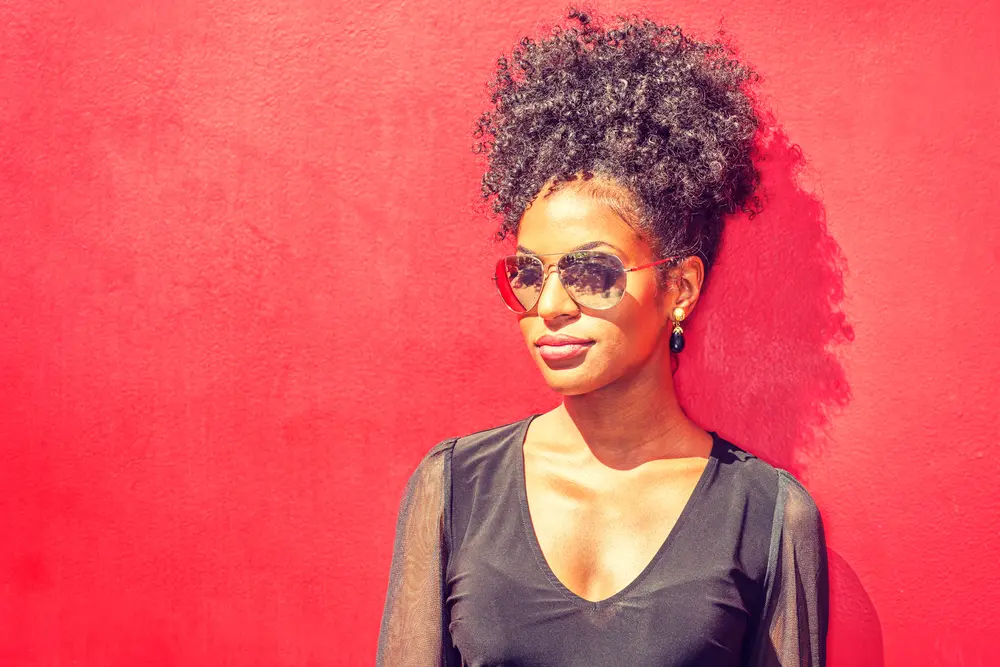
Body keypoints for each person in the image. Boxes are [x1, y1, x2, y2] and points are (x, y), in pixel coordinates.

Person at [376, 9, 829, 667]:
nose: (550, 305)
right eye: (528, 273)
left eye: (592, 271)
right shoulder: (455, 488)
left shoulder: (767, 517)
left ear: (680, 287)